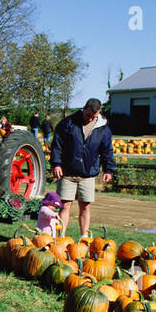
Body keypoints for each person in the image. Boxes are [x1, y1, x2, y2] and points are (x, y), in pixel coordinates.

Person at [51, 98, 115, 241]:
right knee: (65, 205)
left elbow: (107, 150)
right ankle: (60, 238)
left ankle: (84, 238)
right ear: (83, 109)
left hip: (87, 173)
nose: (90, 118)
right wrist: (56, 164)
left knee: (85, 205)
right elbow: (57, 145)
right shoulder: (68, 123)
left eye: (94, 116)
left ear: (99, 113)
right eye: (88, 115)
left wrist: (108, 169)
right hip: (67, 172)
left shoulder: (103, 128)